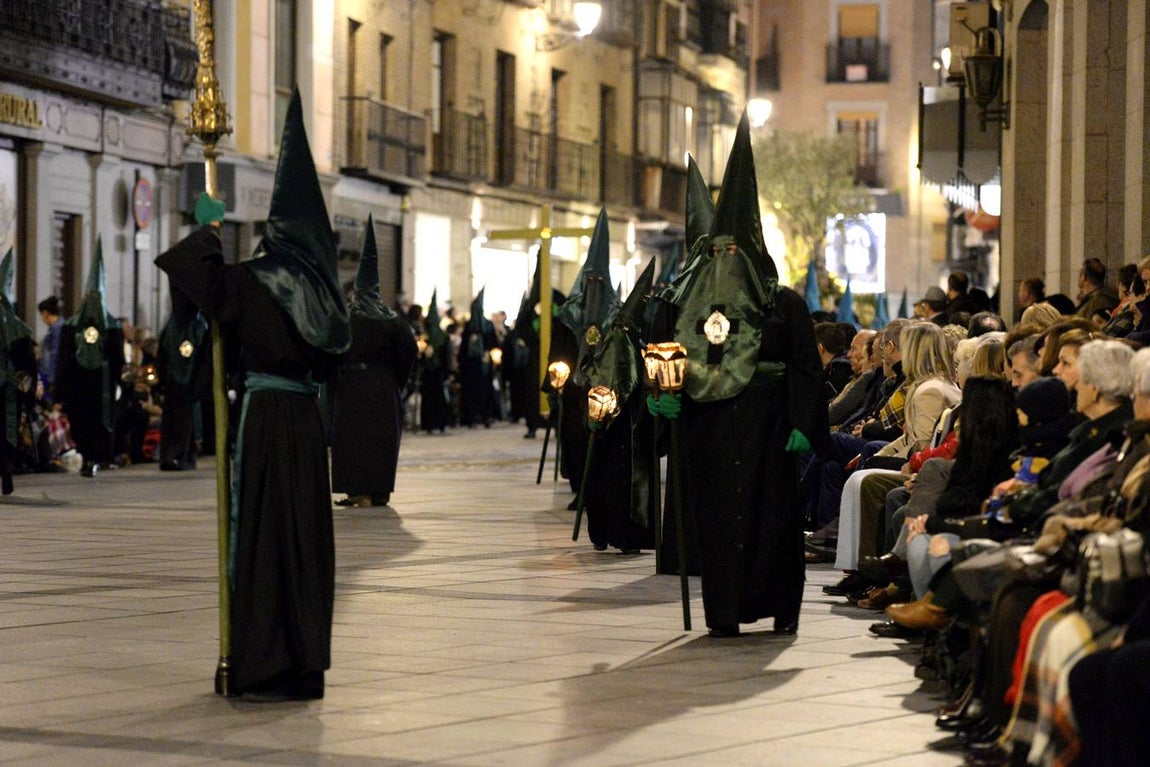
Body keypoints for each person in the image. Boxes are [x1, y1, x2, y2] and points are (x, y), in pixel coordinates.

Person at [156, 87, 350, 702]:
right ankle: (303, 665)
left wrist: (208, 230)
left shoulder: (258, 281)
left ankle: (259, 660)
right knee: (304, 538)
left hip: (265, 420)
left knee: (264, 532)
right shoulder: (327, 295)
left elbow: (204, 284)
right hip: (305, 420)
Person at [672, 113, 827, 637]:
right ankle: (724, 612)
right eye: (718, 251)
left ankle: (782, 608)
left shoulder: (784, 306)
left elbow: (807, 367)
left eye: (735, 249)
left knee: (773, 522)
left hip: (770, 432)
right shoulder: (689, 312)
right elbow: (668, 362)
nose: (726, 259)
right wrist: (664, 400)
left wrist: (803, 422)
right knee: (718, 523)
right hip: (712, 432)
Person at [330, 217, 417, 508]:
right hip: (383, 387)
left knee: (354, 439)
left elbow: (332, 351)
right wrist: (396, 382)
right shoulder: (394, 321)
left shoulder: (345, 318)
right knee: (381, 441)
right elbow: (409, 355)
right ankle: (379, 491)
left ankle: (358, 490)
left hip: (352, 385)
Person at [581, 258, 658, 554]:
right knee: (619, 483)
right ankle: (622, 535)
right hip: (621, 427)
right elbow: (621, 382)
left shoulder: (627, 340)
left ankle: (608, 533)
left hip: (618, 424)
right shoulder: (622, 342)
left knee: (606, 480)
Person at [551, 208, 621, 500]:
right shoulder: (568, 314)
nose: (594, 287)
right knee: (575, 441)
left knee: (600, 441)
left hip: (601, 391)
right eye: (589, 281)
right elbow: (558, 351)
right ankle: (578, 487)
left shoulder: (615, 313)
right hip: (574, 390)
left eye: (599, 282)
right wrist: (555, 380)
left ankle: (594, 491)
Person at [54, 240, 127, 478]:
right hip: (81, 386)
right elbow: (64, 359)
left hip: (100, 385)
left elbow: (117, 360)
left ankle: (99, 456)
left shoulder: (112, 327)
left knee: (100, 421)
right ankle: (89, 455)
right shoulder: (72, 327)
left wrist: (121, 382)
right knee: (83, 421)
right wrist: (60, 392)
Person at [156, 280, 210, 471]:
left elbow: (205, 356)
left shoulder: (198, 324)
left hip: (189, 380)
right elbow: (162, 352)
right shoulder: (175, 325)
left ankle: (183, 455)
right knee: (173, 419)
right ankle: (172, 455)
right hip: (175, 380)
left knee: (186, 420)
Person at [0, 250, 36, 494]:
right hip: (7, 387)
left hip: (9, 389)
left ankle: (6, 470)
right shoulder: (21, 329)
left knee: (7, 431)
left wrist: (28, 394)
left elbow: (28, 367)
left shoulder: (20, 331)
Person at [457, 288, 496, 428]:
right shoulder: (474, 327)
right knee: (476, 392)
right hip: (474, 366)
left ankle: (481, 416)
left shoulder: (483, 326)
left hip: (479, 366)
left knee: (481, 391)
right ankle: (476, 417)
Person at [417, 291, 453, 434]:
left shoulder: (440, 338)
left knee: (433, 398)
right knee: (435, 398)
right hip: (435, 373)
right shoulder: (432, 337)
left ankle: (433, 424)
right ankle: (437, 424)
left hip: (434, 373)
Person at [36, 295, 64, 400]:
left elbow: (55, 353)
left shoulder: (57, 329)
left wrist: (52, 379)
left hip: (51, 376)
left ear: (45, 313)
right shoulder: (57, 327)